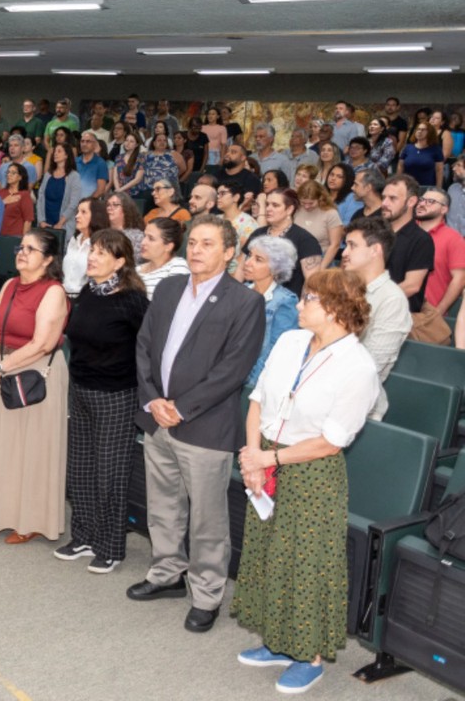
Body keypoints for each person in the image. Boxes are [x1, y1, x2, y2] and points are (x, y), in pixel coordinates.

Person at [231, 270, 379, 695]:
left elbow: (331, 442)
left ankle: (309, 655)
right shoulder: (291, 341)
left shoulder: (357, 367)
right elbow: (258, 398)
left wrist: (267, 457)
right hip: (267, 455)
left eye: (307, 299)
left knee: (305, 563)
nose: (298, 305)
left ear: (333, 308)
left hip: (311, 472)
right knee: (268, 553)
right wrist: (252, 457)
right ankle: (280, 642)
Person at [129, 214, 266, 634]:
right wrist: (154, 400)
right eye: (192, 242)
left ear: (229, 253)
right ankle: (167, 573)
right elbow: (145, 344)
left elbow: (233, 369)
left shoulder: (245, 302)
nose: (195, 250)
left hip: (204, 427)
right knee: (163, 505)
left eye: (208, 244)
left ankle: (207, 593)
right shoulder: (169, 287)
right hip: (158, 420)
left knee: (208, 519)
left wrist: (182, 407)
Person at [56, 229, 150, 573]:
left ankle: (110, 547)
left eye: (100, 253)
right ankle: (83, 536)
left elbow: (148, 349)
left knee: (110, 473)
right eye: (91, 250)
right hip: (80, 388)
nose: (91, 257)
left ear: (120, 262)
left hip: (116, 395)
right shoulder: (87, 292)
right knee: (80, 468)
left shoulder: (133, 300)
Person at [0, 228, 70, 544]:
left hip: (33, 375)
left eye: (30, 248)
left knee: (31, 449)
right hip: (0, 368)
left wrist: (1, 366)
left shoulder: (53, 291)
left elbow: (43, 343)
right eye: (20, 246)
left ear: (49, 259)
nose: (22, 252)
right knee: (3, 445)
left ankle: (30, 520)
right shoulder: (11, 284)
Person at [339, 217, 411, 418]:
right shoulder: (341, 288)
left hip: (360, 408)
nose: (344, 253)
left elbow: (371, 366)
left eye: (352, 246)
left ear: (375, 250)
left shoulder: (392, 300)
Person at [241, 236, 300, 387]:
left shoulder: (285, 301)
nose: (247, 263)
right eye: (249, 255)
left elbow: (276, 352)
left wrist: (250, 384)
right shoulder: (241, 292)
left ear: (276, 268)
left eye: (258, 259)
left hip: (255, 382)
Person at [239, 190, 322, 297]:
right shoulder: (258, 233)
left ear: (289, 209)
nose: (268, 208)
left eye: (275, 205)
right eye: (267, 204)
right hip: (251, 298)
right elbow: (240, 270)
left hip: (285, 305)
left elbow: (312, 283)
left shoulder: (305, 240)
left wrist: (302, 308)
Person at [381, 174, 435, 316]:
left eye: (392, 198)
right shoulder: (375, 233)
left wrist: (374, 302)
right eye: (383, 197)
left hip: (400, 315)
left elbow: (412, 286)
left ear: (411, 201)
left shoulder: (421, 240)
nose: (384, 203)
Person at [416, 186, 465, 317]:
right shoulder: (404, 231)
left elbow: (459, 279)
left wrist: (438, 312)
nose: (422, 204)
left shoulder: (454, 239)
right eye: (421, 200)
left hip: (428, 315)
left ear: (444, 209)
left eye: (430, 202)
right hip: (395, 310)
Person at [63, 197, 110, 297]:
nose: (77, 216)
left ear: (96, 217)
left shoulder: (102, 244)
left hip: (85, 299)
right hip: (64, 295)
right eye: (77, 212)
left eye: (83, 212)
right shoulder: (74, 240)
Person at [294, 181, 343, 270]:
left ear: (320, 198)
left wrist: (322, 267)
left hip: (322, 258)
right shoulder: (296, 210)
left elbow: (335, 244)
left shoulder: (330, 213)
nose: (307, 207)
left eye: (311, 203)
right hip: (298, 259)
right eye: (303, 203)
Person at [37, 144, 84, 237]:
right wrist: (41, 220)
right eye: (54, 151)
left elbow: (74, 203)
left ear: (66, 155)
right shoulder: (48, 175)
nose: (55, 154)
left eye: (59, 151)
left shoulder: (74, 176)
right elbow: (40, 199)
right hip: (45, 224)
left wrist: (60, 223)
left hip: (63, 225)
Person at [137, 218, 190, 300]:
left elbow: (170, 304)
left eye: (151, 238)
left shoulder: (178, 266)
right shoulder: (137, 269)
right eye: (144, 236)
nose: (143, 242)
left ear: (168, 246)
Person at [0, 162, 35, 237]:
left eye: (13, 173)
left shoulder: (24, 195)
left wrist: (24, 240)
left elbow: (28, 220)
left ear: (20, 177)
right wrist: (3, 202)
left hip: (16, 236)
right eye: (8, 172)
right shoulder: (1, 193)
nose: (9, 175)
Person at [106, 192, 145, 260]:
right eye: (108, 205)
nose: (109, 208)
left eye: (115, 205)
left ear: (126, 208)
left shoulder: (137, 236)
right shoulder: (101, 232)